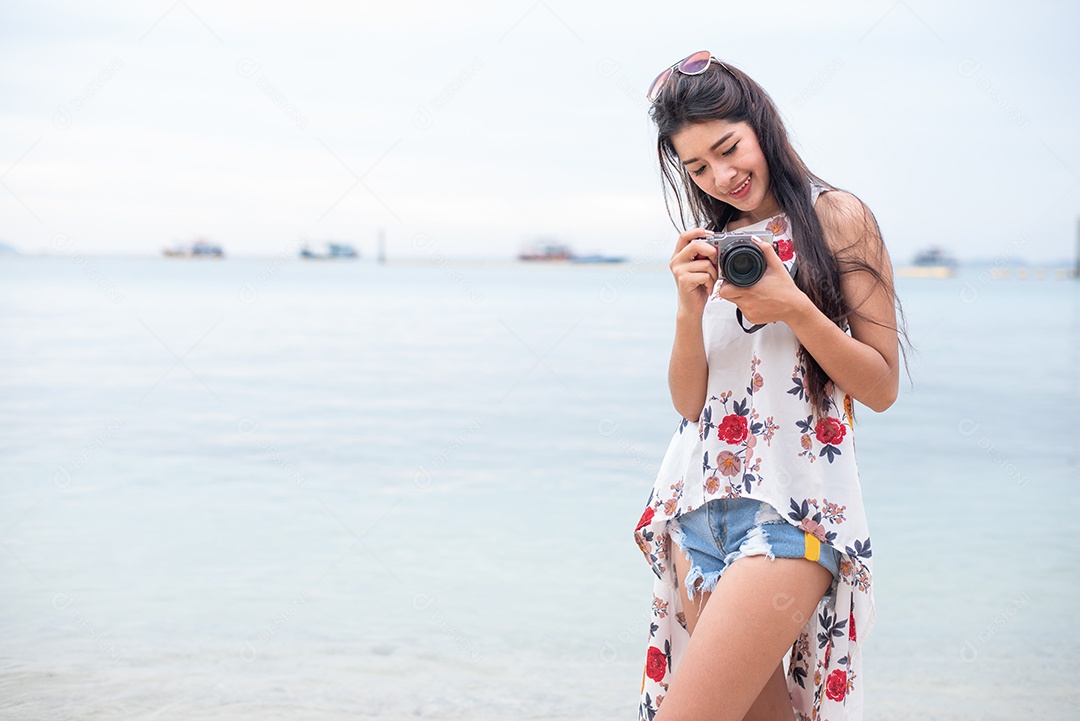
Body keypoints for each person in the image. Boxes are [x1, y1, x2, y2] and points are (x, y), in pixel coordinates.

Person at [633, 51, 903, 721]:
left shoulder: (837, 217)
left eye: (729, 148)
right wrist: (688, 309)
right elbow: (689, 404)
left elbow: (880, 384)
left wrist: (795, 308)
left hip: (792, 514)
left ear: (761, 123)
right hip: (696, 514)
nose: (721, 175)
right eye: (697, 167)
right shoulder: (717, 244)